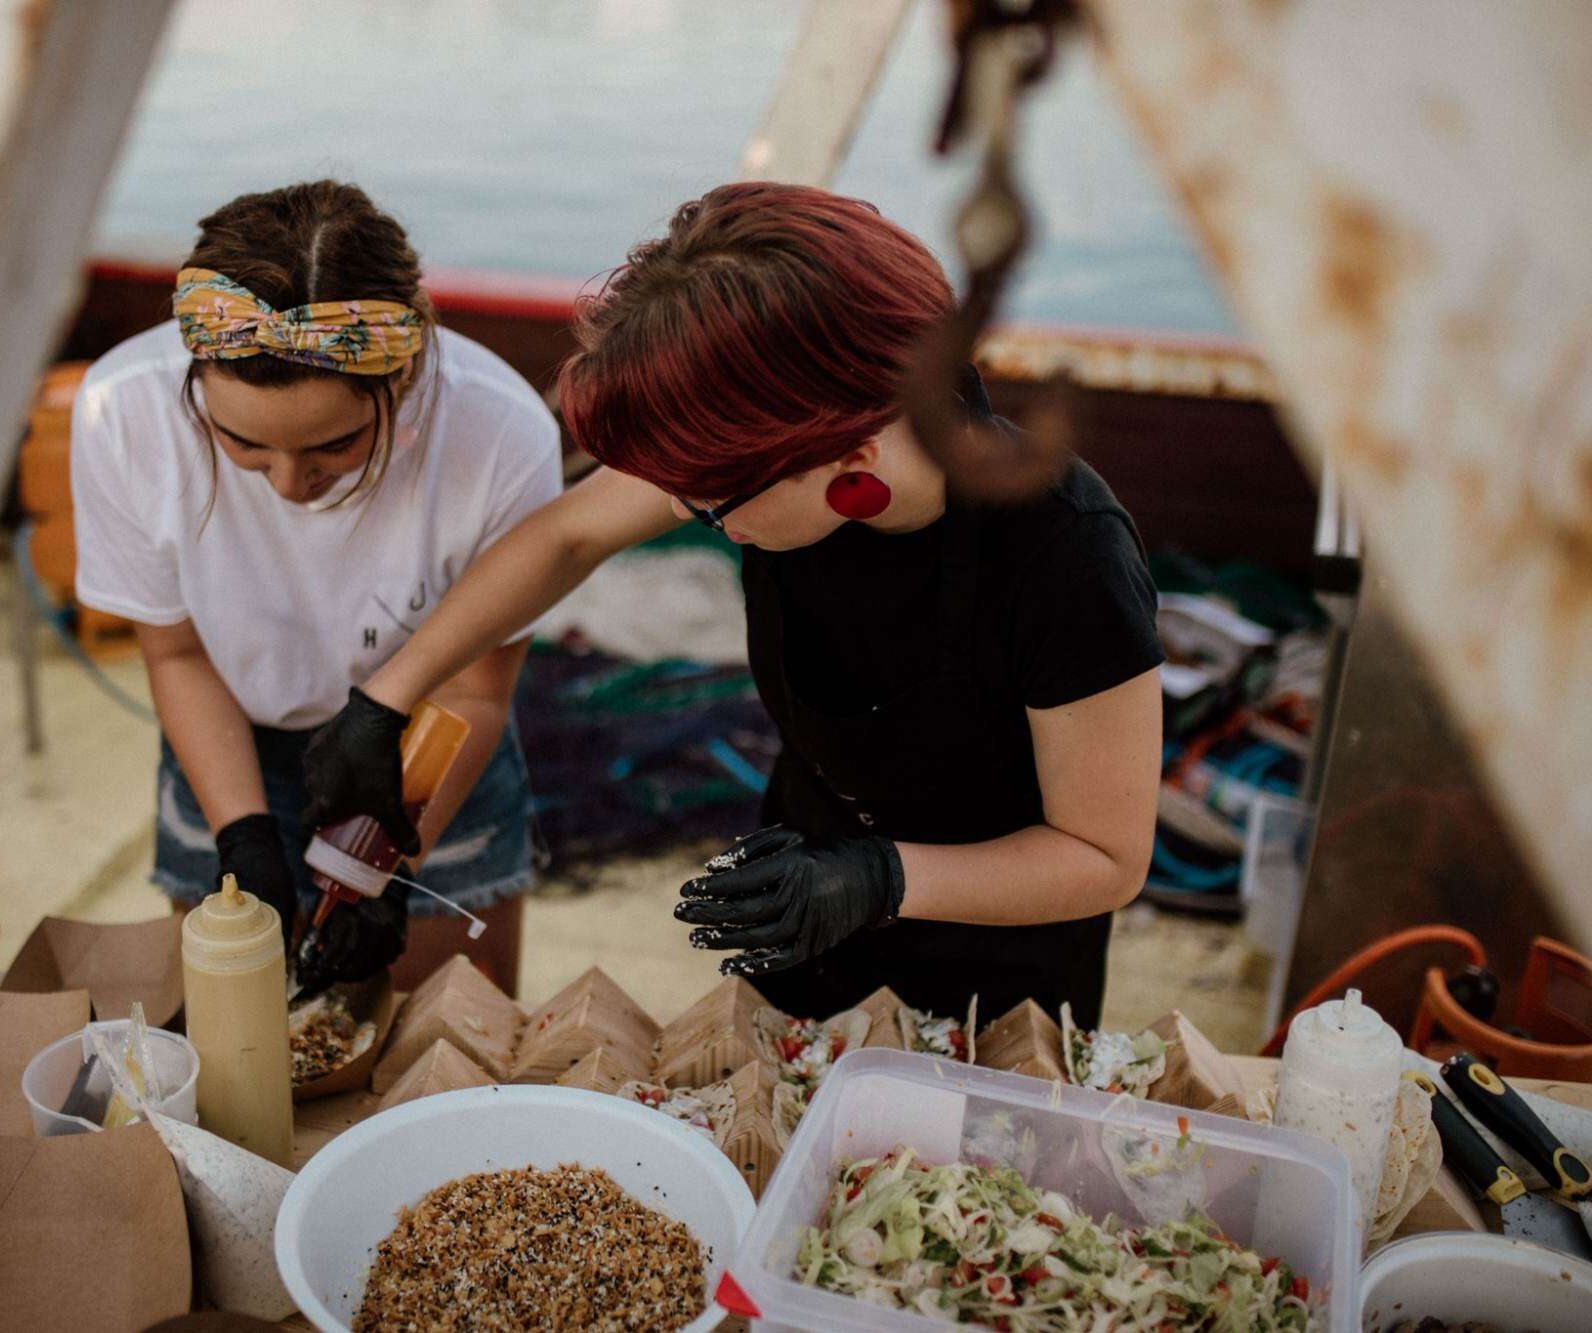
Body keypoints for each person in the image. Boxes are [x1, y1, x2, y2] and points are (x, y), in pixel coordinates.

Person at [301, 182, 1164, 1024]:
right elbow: (568, 536)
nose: (685, 512)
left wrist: (883, 879)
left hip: (998, 964)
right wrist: (387, 697)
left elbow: (1104, 855)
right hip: (802, 889)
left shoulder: (1067, 555)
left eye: (708, 506)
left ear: (847, 460)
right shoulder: (782, 446)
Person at [70, 181, 559, 994]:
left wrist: (385, 868)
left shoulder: (503, 434)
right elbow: (177, 651)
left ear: (403, 378)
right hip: (227, 736)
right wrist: (243, 834)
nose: (291, 485)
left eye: (334, 445)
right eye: (243, 444)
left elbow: (476, 687)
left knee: (445, 1034)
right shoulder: (121, 410)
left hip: (427, 750)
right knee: (237, 1030)